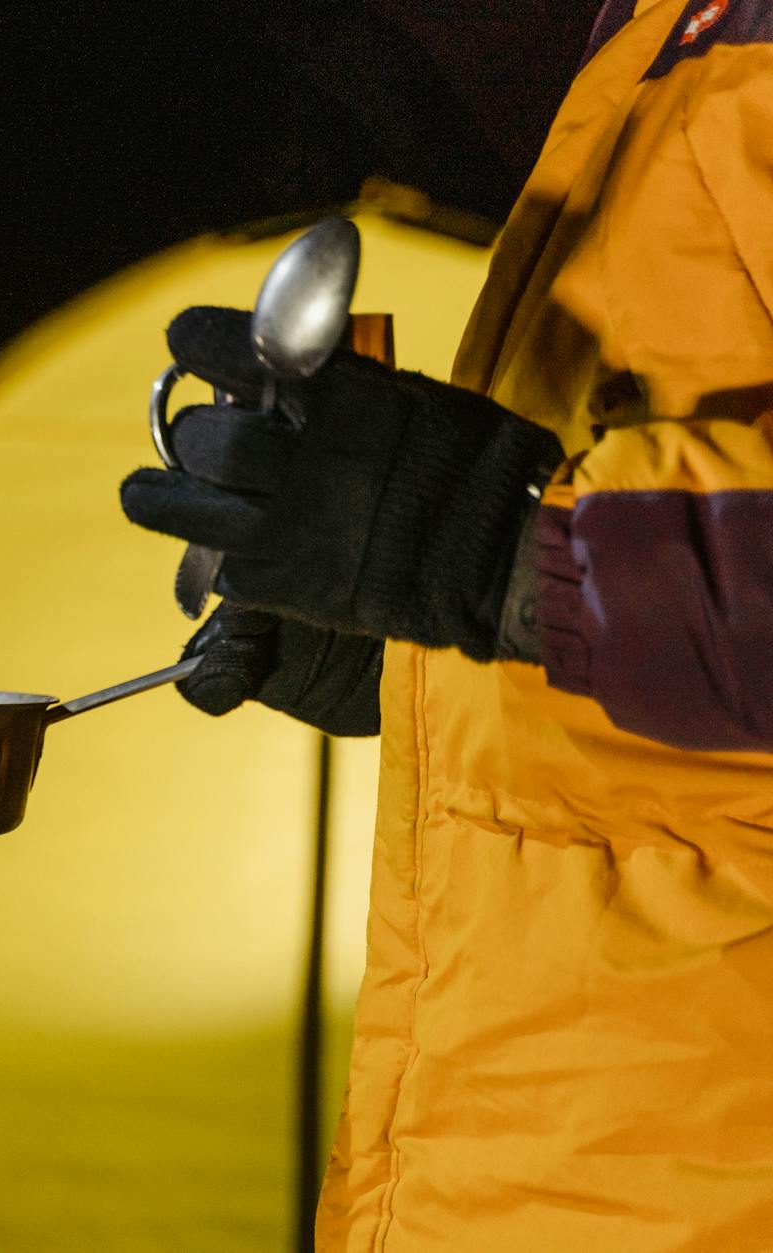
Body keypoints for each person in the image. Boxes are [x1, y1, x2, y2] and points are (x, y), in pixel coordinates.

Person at [121, 1, 773, 1246]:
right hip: (511, 1156)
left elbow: (561, 536)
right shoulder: (652, 40)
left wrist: (487, 542)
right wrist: (426, 654)